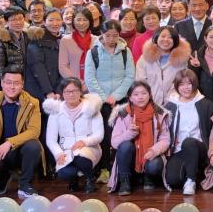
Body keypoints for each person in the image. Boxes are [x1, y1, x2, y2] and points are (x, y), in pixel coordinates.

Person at [0, 69, 43, 198]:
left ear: (22, 85)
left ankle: (25, 185)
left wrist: (10, 142)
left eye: (16, 83)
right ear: (2, 83)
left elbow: (34, 131)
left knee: (33, 146)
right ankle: (3, 179)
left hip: (20, 150)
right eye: (8, 82)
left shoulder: (32, 103)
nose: (12, 87)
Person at [84, 20, 136, 170]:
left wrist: (116, 96)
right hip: (100, 102)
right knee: (104, 135)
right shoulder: (93, 52)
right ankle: (104, 168)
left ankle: (121, 168)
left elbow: (130, 76)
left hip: (121, 100)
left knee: (122, 133)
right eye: (108, 35)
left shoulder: (126, 52)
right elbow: (90, 78)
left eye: (115, 35)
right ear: (102, 34)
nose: (111, 39)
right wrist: (104, 97)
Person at [108, 81, 172, 194]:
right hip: (130, 159)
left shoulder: (159, 113)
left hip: (150, 155)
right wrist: (129, 134)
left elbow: (165, 139)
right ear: (130, 98)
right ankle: (125, 182)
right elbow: (114, 142)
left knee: (155, 165)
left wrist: (154, 150)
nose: (140, 97)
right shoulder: (123, 114)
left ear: (150, 95)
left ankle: (148, 177)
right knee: (125, 145)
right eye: (136, 94)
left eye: (144, 93)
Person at [44, 77, 103, 193]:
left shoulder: (91, 107)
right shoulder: (56, 111)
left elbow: (99, 134)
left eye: (74, 90)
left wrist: (84, 142)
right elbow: (50, 139)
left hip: (89, 148)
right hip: (66, 150)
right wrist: (58, 153)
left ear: (80, 92)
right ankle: (73, 179)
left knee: (79, 157)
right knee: (64, 173)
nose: (71, 94)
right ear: (62, 94)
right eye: (67, 91)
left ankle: (90, 179)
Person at [165, 69, 213, 195]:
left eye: (189, 84)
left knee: (189, 142)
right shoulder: (170, 106)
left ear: (195, 84)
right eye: (181, 84)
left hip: (199, 148)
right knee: (173, 179)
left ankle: (191, 180)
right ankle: (194, 171)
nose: (186, 88)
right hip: (178, 149)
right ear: (177, 86)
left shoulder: (206, 105)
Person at [135, 25, 192, 106]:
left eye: (170, 37)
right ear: (156, 38)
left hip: (174, 103)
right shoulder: (144, 59)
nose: (166, 40)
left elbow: (182, 83)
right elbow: (140, 82)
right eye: (163, 36)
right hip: (148, 103)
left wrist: (172, 100)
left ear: (175, 40)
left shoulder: (181, 60)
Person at [24, 8, 63, 102]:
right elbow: (38, 67)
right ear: (44, 22)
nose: (55, 23)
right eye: (51, 20)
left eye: (58, 20)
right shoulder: (37, 39)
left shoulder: (62, 40)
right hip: (39, 91)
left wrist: (59, 91)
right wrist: (48, 91)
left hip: (57, 90)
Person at [59, 8, 95, 82]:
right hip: (74, 84)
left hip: (94, 84)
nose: (81, 23)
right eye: (78, 20)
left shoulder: (97, 40)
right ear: (73, 21)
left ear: (90, 21)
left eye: (85, 20)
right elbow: (63, 67)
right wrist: (78, 83)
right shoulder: (65, 40)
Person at [0, 7, 28, 79]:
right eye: (13, 20)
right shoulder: (2, 39)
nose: (18, 22)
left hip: (27, 79)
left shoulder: (28, 36)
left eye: (20, 19)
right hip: (10, 80)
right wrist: (3, 82)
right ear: (6, 21)